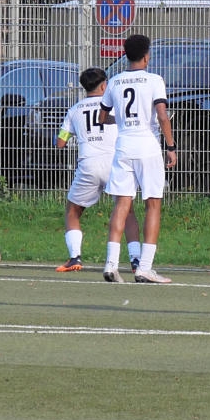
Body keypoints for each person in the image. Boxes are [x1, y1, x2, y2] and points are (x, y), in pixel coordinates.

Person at [99, 34, 177, 284]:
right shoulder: (154, 80)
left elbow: (102, 118)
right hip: (148, 146)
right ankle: (144, 267)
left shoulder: (114, 81)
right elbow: (162, 116)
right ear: (146, 56)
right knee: (153, 203)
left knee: (122, 204)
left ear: (125, 55)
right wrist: (171, 147)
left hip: (123, 146)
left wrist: (121, 121)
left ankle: (111, 264)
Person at [53, 67, 142, 273]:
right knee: (127, 211)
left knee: (73, 211)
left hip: (89, 165)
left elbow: (60, 143)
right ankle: (136, 260)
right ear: (103, 86)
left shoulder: (74, 110)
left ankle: (75, 257)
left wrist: (69, 135)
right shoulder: (114, 107)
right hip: (115, 164)